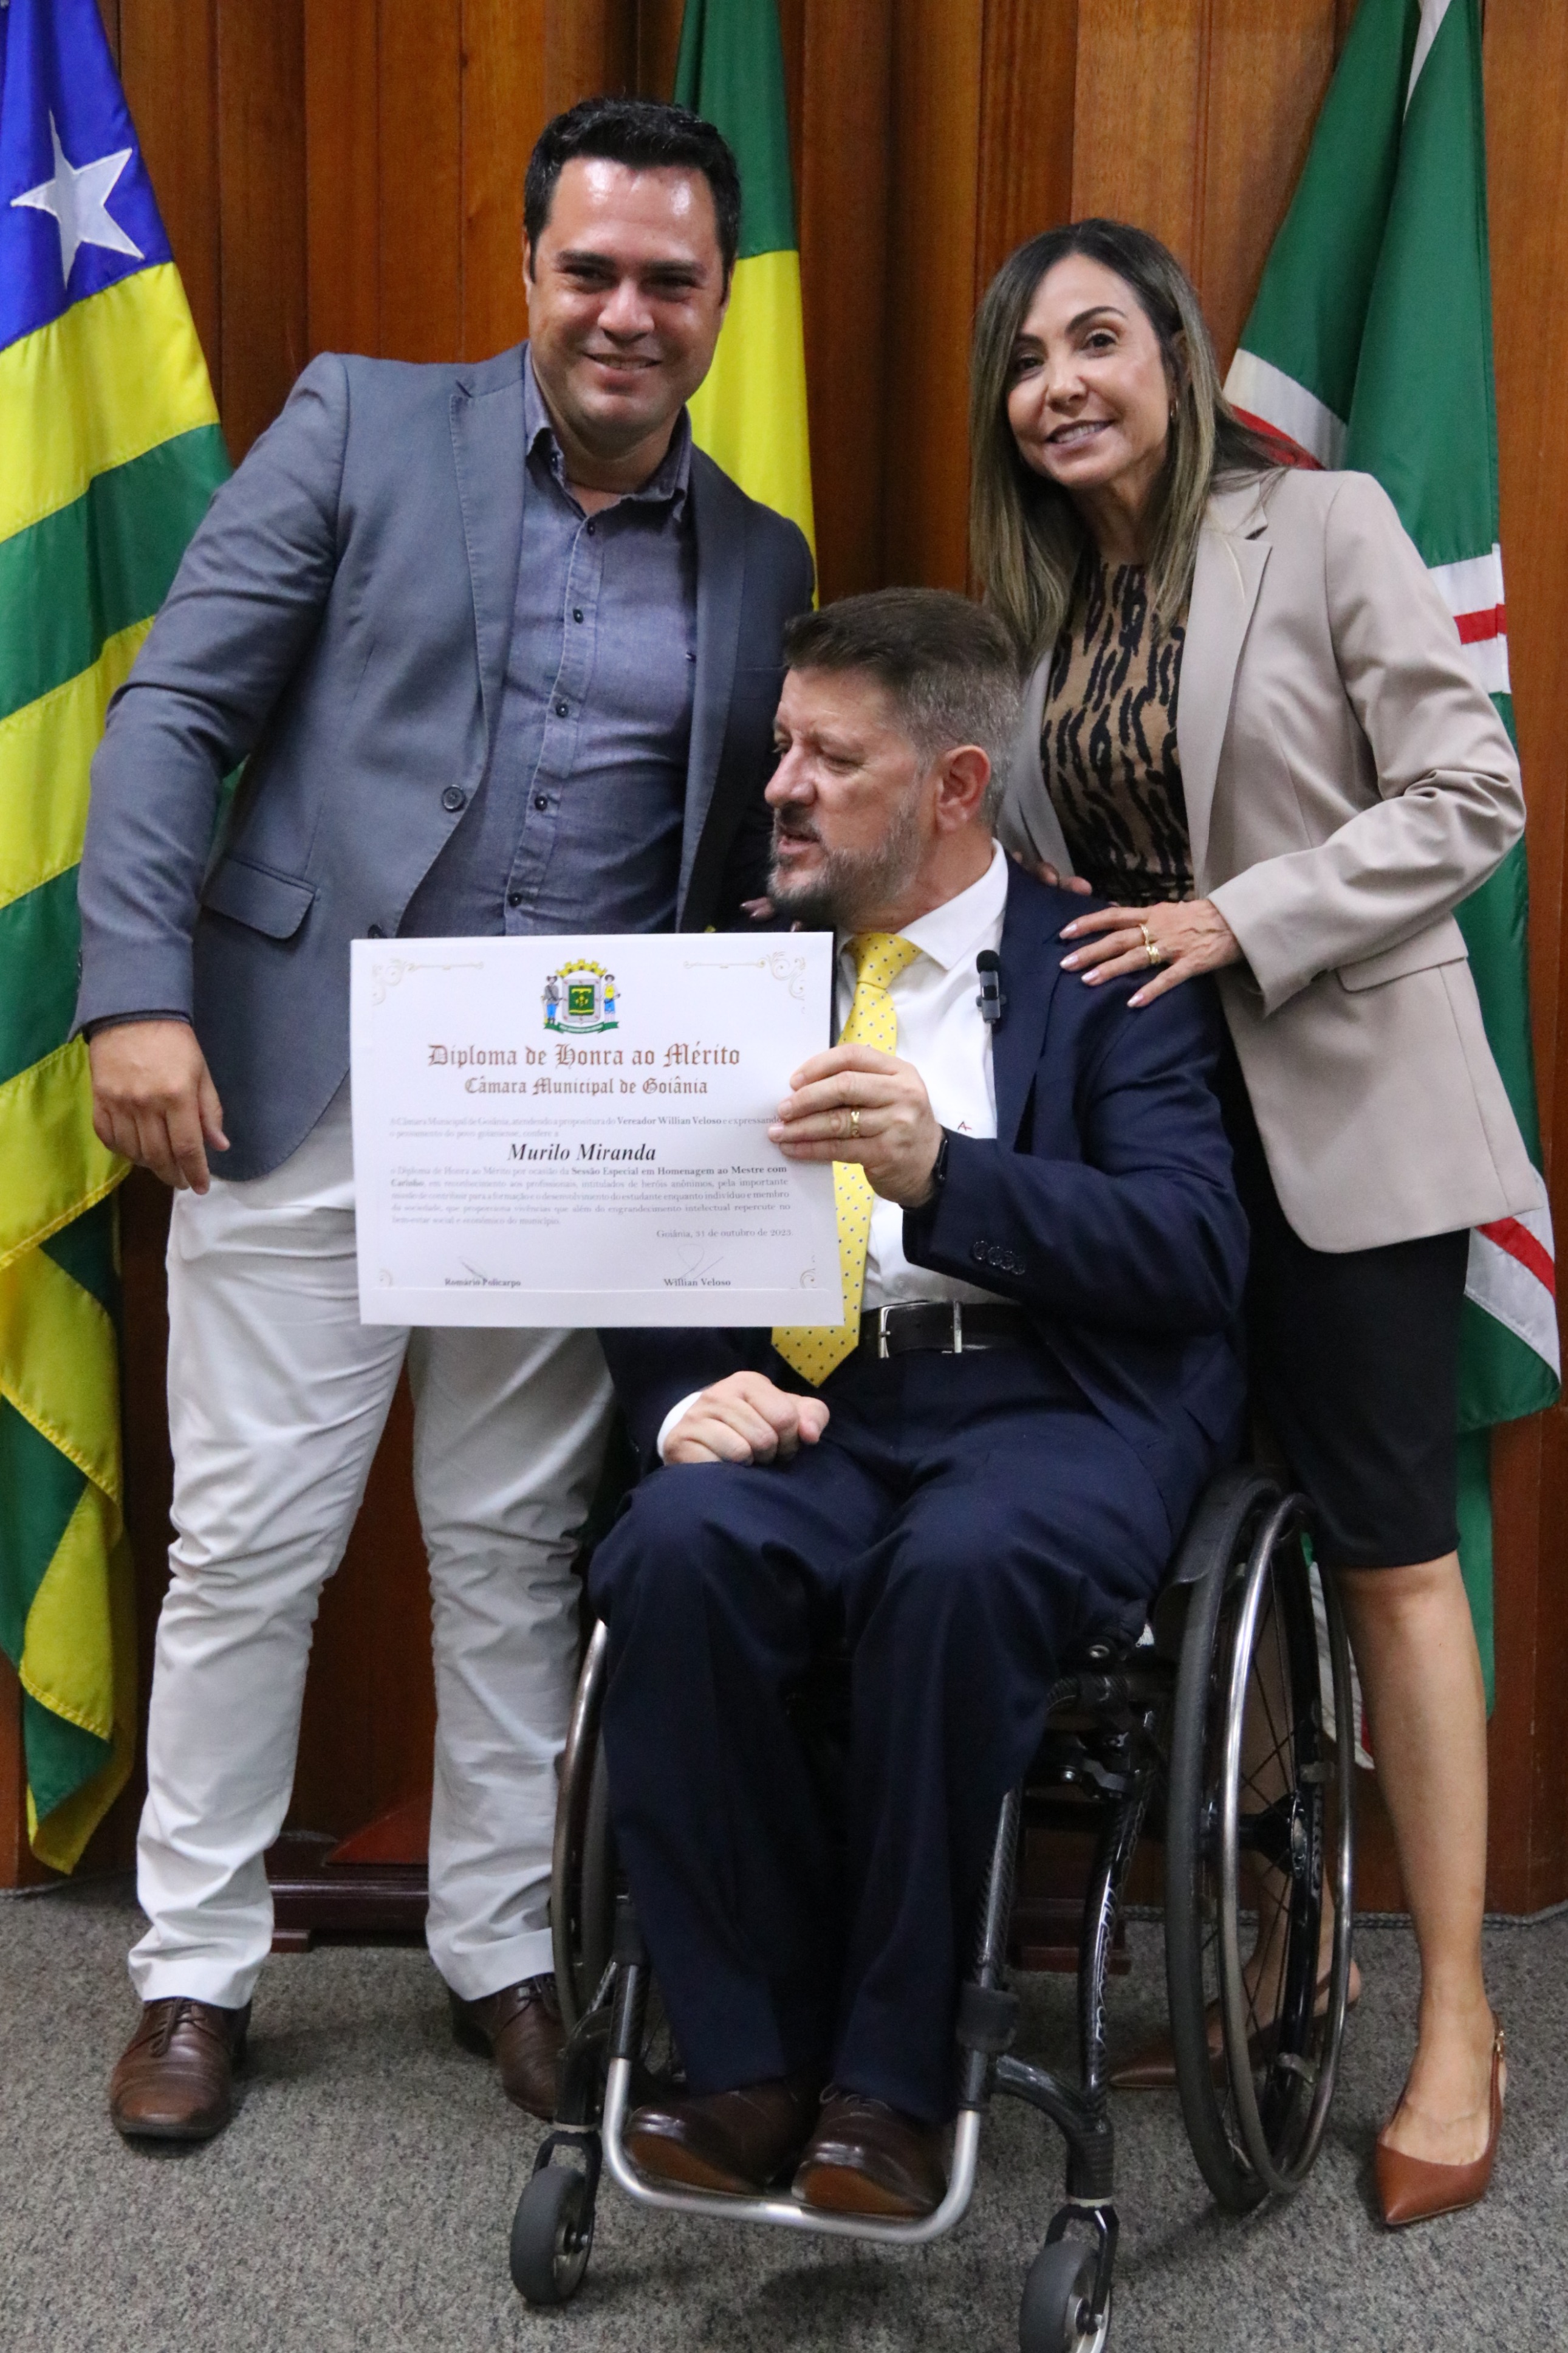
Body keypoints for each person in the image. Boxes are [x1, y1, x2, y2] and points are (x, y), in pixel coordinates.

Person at [77, 95, 813, 2145]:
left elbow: (743, 865)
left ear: (719, 301)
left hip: (561, 1131)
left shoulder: (765, 557)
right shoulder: (360, 424)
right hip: (300, 1078)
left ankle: (504, 1951)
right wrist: (135, 991)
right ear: (530, 272)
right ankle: (195, 1969)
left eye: (671, 280)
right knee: (250, 1548)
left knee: (510, 1552)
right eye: (592, 270)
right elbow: (179, 712)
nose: (628, 312)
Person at [970, 216, 1532, 2226]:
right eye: (1026, 360)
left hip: (1345, 1125)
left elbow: (1473, 796)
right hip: (1151, 1162)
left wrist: (1239, 918)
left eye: (1097, 339)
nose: (1061, 384)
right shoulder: (1037, 625)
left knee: (1384, 1552)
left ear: (1181, 357)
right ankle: (1292, 1949)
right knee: (1216, 1548)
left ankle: (1457, 2015)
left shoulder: (1326, 526)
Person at [588, 588, 1248, 2217]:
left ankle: (891, 2088)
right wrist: (681, 1397)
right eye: (781, 747)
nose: (781, 787)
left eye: (831, 758)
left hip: (1052, 1406)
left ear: (956, 786)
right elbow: (636, 1228)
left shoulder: (1104, 975)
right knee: (674, 1549)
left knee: (959, 1576)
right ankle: (746, 2063)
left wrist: (949, 1174)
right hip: (815, 1403)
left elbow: (1193, 1250)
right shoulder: (736, 977)